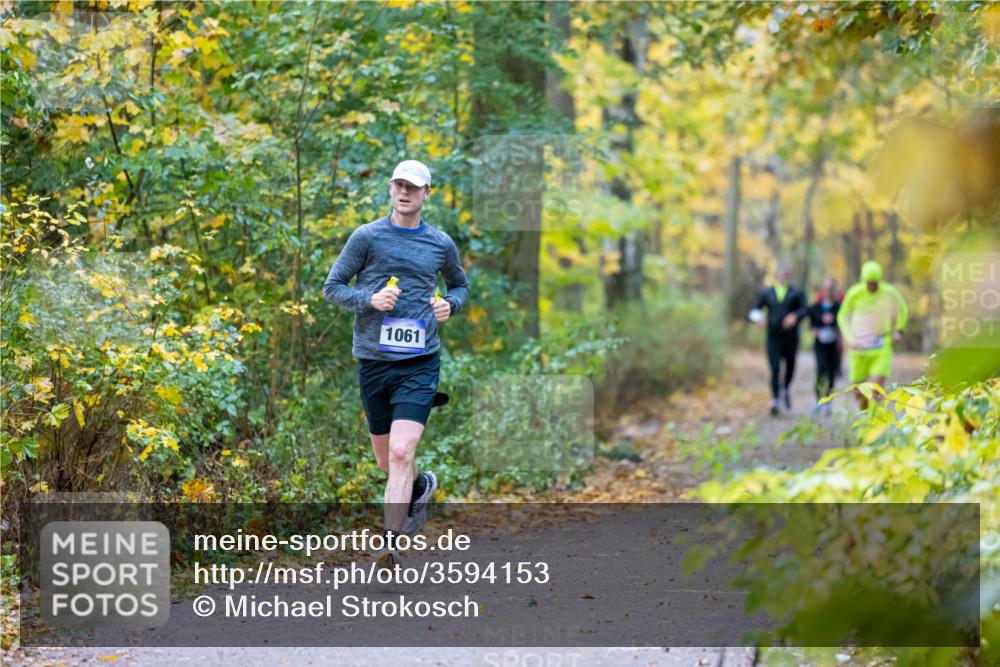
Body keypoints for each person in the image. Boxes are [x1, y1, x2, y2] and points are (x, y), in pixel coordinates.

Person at [323, 159, 469, 564]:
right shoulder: (366, 238)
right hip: (374, 360)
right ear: (390, 190)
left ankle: (390, 545)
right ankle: (420, 485)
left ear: (426, 194)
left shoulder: (440, 244)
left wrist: (449, 306)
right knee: (387, 461)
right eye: (399, 185)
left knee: (403, 451)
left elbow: (460, 285)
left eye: (413, 186)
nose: (405, 192)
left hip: (420, 360)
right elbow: (332, 287)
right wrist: (367, 299)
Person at [836, 260, 908, 410]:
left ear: (880, 280)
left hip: (882, 345)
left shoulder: (889, 292)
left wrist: (898, 331)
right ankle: (866, 417)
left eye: (875, 282)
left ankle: (873, 420)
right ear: (863, 280)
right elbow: (842, 316)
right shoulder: (854, 293)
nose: (872, 286)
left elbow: (903, 310)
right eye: (869, 282)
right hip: (859, 347)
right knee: (858, 392)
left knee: (875, 389)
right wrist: (850, 339)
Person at [750, 261, 809, 416]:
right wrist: (758, 319)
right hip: (773, 336)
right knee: (775, 368)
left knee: (789, 368)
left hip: (791, 338)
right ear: (776, 274)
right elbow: (755, 309)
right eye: (782, 273)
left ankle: (785, 388)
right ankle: (775, 400)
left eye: (787, 273)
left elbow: (805, 310)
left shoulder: (797, 292)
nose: (785, 276)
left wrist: (795, 316)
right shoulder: (767, 292)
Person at [808, 278, 841, 416]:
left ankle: (828, 401)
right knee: (821, 370)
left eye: (831, 289)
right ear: (822, 290)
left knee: (832, 373)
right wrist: (814, 329)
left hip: (834, 345)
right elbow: (811, 322)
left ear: (834, 291)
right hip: (820, 345)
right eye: (826, 289)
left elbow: (843, 322)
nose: (828, 291)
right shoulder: (815, 307)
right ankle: (817, 399)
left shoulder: (839, 307)